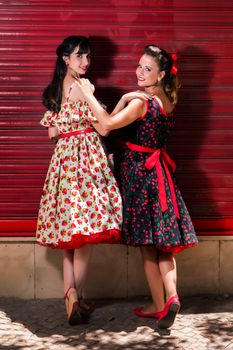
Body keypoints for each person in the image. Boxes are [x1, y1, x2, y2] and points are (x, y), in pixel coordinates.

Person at [74, 44, 199, 329]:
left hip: (140, 176)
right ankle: (172, 296)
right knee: (163, 245)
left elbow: (104, 125)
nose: (139, 72)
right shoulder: (166, 99)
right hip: (162, 177)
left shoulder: (141, 103)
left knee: (147, 247)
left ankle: (158, 304)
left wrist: (89, 95)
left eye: (147, 69)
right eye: (139, 66)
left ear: (161, 74)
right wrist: (128, 95)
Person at [36, 36, 123, 325]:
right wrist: (93, 99)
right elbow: (104, 127)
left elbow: (51, 134)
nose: (85, 62)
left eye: (88, 57)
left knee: (70, 237)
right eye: (79, 56)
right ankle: (77, 295)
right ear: (66, 59)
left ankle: (72, 297)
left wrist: (68, 129)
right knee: (85, 237)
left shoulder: (55, 90)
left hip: (63, 162)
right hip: (86, 161)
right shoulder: (83, 88)